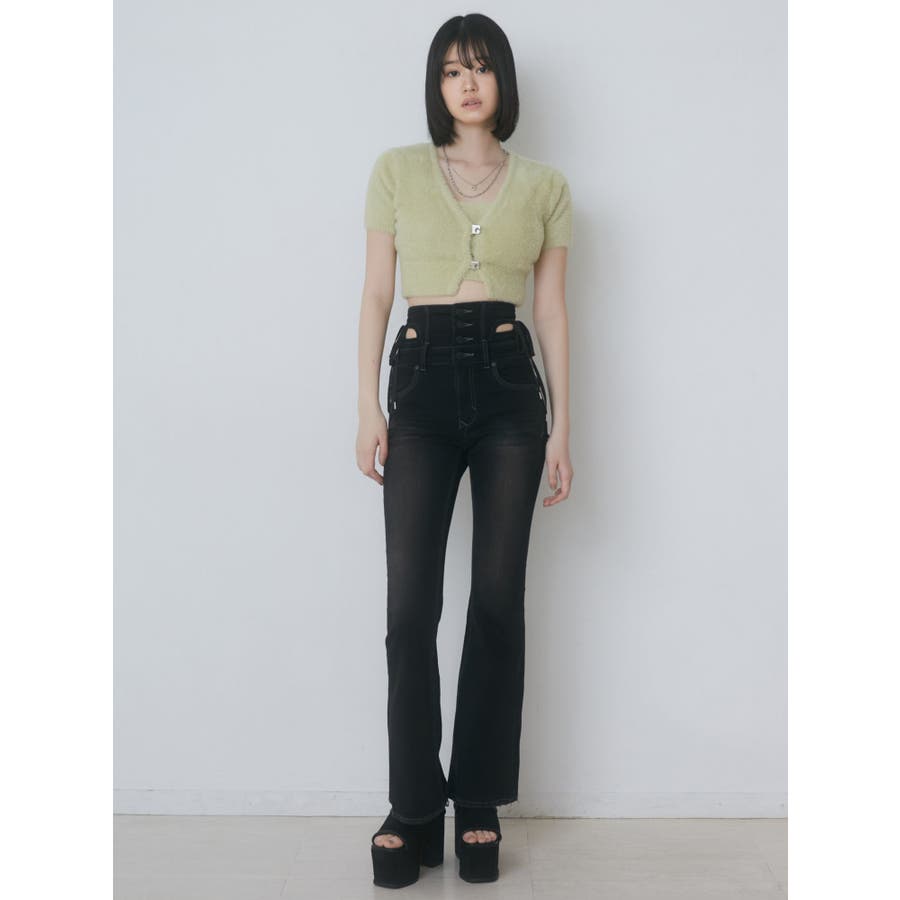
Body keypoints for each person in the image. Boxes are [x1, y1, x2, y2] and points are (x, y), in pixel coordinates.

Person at [356, 13, 574, 888]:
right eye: (452, 71)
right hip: (419, 381)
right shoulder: (396, 171)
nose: (468, 83)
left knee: (495, 600)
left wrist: (566, 425)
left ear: (502, 81)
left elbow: (550, 311)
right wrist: (367, 407)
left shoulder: (547, 186)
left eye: (481, 68)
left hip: (510, 387)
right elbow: (377, 295)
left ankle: (477, 799)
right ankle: (412, 806)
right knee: (410, 607)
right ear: (437, 86)